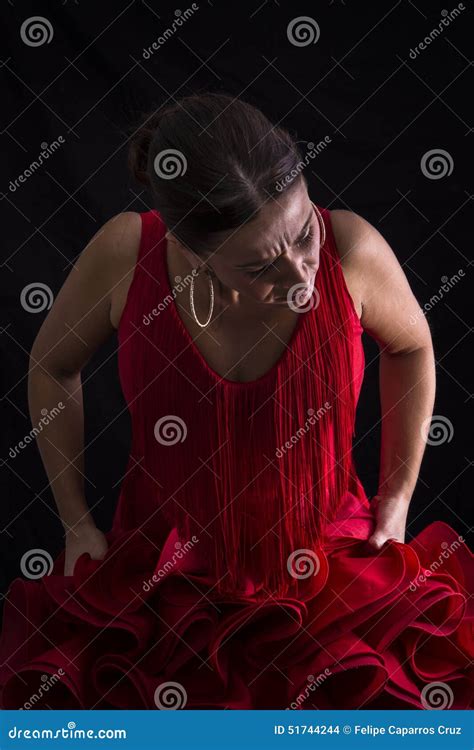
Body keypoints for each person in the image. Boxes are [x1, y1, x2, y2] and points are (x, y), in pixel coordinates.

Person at [0, 92, 472, 710]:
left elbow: (411, 348)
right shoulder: (126, 253)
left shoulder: (352, 248)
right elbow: (53, 364)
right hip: (159, 595)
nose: (302, 275)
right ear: (191, 248)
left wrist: (397, 499)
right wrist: (73, 520)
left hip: (331, 585)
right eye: (258, 267)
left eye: (305, 235)